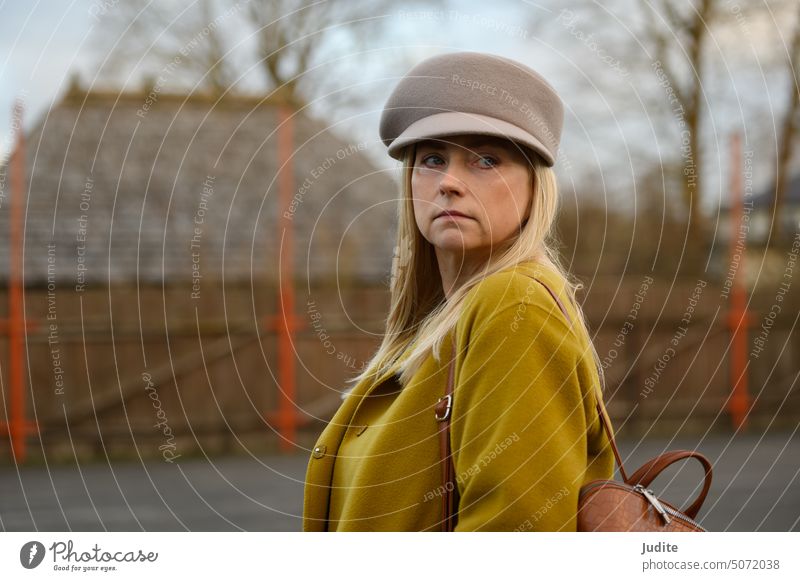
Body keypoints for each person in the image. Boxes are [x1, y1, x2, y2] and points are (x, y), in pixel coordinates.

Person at [302, 51, 616, 532]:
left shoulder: (515, 304)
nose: (449, 182)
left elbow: (514, 534)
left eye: (486, 160)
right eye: (431, 159)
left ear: (535, 187)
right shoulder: (436, 322)